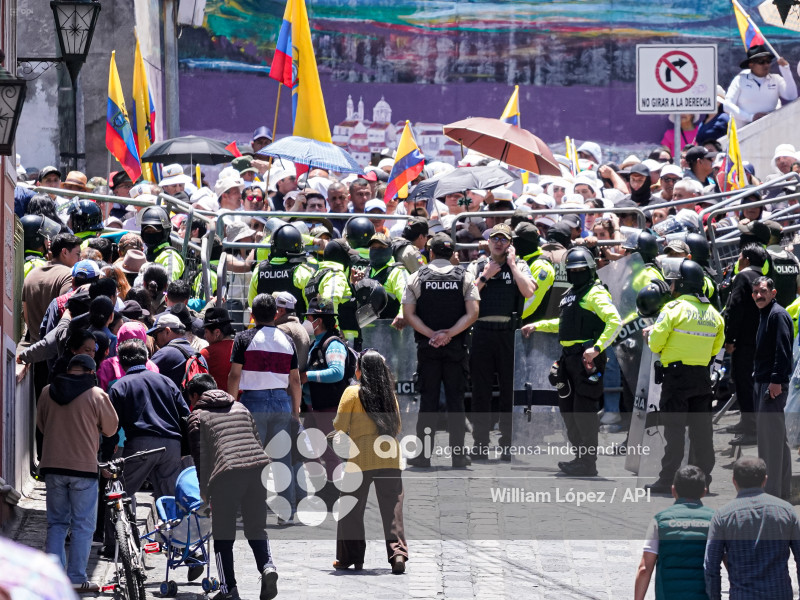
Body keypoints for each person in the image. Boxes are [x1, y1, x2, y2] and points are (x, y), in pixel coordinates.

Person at [525, 246, 621, 476]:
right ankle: (580, 458)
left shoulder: (595, 293)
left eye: (580, 270)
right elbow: (565, 324)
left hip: (586, 360)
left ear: (589, 271)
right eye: (572, 270)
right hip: (568, 359)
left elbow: (615, 321)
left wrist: (596, 348)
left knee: (583, 413)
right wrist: (538, 325)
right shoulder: (571, 294)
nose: (576, 274)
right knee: (568, 411)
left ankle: (589, 463)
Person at [185, 374, 277, 600]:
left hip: (226, 474)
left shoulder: (197, 416)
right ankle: (267, 567)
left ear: (195, 396)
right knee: (256, 528)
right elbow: (257, 441)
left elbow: (200, 458)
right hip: (258, 469)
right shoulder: (240, 407)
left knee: (224, 536)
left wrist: (204, 491)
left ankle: (229, 590)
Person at [36, 354, 118, 590]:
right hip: (83, 468)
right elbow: (111, 428)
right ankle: (76, 578)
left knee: (57, 524)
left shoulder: (47, 391)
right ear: (91, 372)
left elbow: (42, 425)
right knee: (83, 526)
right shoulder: (95, 394)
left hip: (52, 467)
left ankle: (53, 578)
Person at [642, 259, 724, 493]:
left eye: (674, 282)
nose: (671, 286)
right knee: (702, 433)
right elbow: (715, 348)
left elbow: (656, 344)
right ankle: (703, 479)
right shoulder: (714, 314)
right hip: (701, 377)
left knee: (675, 432)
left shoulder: (673, 309)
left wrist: (652, 338)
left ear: (683, 284)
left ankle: (667, 478)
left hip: (676, 379)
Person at [403, 232, 480, 469]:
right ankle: (459, 455)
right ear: (453, 254)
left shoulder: (416, 276)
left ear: (431, 252)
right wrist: (449, 334)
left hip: (428, 349)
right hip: (456, 348)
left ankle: (423, 455)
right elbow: (473, 313)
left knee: (429, 401)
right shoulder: (465, 276)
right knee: (456, 401)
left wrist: (432, 335)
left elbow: (408, 314)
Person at [332, 349, 408, 574]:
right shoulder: (389, 394)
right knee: (393, 507)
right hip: (389, 455)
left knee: (351, 507)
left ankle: (350, 557)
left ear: (359, 371)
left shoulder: (352, 393)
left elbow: (338, 426)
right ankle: (398, 554)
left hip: (360, 456)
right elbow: (398, 427)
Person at [228, 293, 302, 520]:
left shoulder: (243, 338)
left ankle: (244, 509)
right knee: (282, 458)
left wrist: (231, 406)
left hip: (253, 402)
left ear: (252, 315)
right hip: (282, 401)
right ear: (276, 314)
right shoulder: (287, 340)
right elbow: (295, 380)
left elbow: (234, 376)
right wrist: (295, 412)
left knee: (248, 458)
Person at [467, 223, 536, 461]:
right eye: (494, 238)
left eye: (503, 239)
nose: (498, 243)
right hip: (482, 332)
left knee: (510, 392)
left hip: (508, 333)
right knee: (481, 392)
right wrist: (486, 275)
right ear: (488, 242)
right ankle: (480, 443)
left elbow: (529, 292)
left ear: (510, 243)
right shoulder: (477, 265)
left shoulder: (520, 265)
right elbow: (467, 296)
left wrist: (513, 266)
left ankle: (507, 443)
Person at [704, 456, 800, 600]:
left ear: (734, 481)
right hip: (779, 594)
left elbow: (710, 566)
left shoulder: (723, 516)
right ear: (765, 480)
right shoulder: (787, 511)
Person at [109, 339, 189, 500]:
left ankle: (114, 525)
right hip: (172, 445)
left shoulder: (120, 386)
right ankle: (174, 525)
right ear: (146, 358)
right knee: (170, 499)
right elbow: (185, 416)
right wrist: (184, 449)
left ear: (121, 361)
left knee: (118, 494)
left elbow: (111, 425)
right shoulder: (166, 381)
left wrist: (107, 452)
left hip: (141, 445)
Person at [634, 465, 713, 600]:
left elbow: (644, 568)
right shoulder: (716, 520)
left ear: (673, 490)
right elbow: (730, 563)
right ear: (704, 492)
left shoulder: (660, 520)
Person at [752, 276, 793, 500]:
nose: (760, 295)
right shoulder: (766, 314)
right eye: (756, 292)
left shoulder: (777, 315)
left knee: (771, 443)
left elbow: (783, 351)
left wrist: (776, 381)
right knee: (776, 441)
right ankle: (780, 494)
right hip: (764, 382)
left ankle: (772, 494)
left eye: (764, 291)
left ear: (773, 293)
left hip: (771, 385)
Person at [725, 243, 768, 446]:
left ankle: (751, 430)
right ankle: (747, 422)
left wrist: (730, 339)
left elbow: (735, 309)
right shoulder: (765, 280)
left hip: (744, 342)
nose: (738, 260)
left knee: (744, 384)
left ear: (747, 259)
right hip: (761, 340)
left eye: (740, 256)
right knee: (753, 384)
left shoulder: (743, 277)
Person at [22, 233, 81, 343]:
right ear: (64, 252)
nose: (80, 259)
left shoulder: (31, 274)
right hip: (56, 348)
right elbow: (66, 313)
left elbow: (26, 315)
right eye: (77, 254)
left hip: (35, 347)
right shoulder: (68, 275)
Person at [248, 224, 315, 315]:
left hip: (266, 327)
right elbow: (311, 308)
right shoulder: (302, 272)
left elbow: (252, 302)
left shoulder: (258, 270)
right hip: (296, 327)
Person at [725, 44, 798, 128]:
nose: (766, 65)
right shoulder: (740, 79)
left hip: (768, 129)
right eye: (761, 62)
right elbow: (727, 105)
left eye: (768, 61)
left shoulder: (776, 79)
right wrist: (750, 117)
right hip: (742, 132)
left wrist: (786, 70)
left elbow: (792, 96)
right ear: (751, 65)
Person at [149, 313, 209, 389]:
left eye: (155, 335)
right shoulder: (198, 355)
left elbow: (144, 376)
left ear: (167, 331)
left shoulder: (165, 353)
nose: (155, 340)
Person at [366, 232, 408, 326]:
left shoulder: (397, 271)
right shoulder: (367, 270)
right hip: (368, 332)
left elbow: (407, 297)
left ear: (390, 249)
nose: (376, 251)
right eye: (373, 248)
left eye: (381, 248)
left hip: (391, 331)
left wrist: (402, 314)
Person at [139, 206, 184, 280]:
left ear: (165, 232)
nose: (151, 234)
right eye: (147, 231)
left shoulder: (170, 256)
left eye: (155, 231)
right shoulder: (147, 252)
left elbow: (169, 285)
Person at [200, 308, 236, 393]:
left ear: (217, 332)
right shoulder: (240, 348)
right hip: (239, 403)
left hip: (215, 403)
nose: (205, 336)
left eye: (206, 332)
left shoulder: (206, 353)